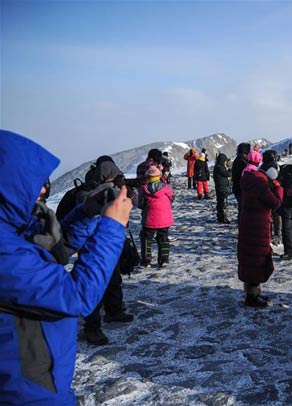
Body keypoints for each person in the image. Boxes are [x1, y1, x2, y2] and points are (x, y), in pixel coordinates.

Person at [0, 130, 132, 404]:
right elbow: (76, 297)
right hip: (26, 390)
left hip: (43, 375)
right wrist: (112, 227)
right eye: (32, 182)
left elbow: (49, 248)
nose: (43, 189)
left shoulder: (11, 228)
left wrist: (86, 213)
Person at [75, 160, 136, 345]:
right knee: (94, 284)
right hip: (92, 247)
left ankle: (114, 311)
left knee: (113, 278)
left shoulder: (110, 191)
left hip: (108, 244)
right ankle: (91, 328)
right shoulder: (87, 194)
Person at [237, 150, 284, 307]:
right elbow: (276, 202)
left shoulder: (249, 179)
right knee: (256, 259)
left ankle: (253, 293)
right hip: (258, 226)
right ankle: (252, 297)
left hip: (248, 223)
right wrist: (278, 188)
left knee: (250, 258)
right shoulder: (261, 185)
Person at [139, 166, 174, 268]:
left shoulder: (144, 190)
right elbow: (172, 198)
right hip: (164, 218)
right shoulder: (166, 188)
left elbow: (141, 204)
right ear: (159, 176)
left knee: (146, 238)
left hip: (149, 218)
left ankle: (146, 260)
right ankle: (163, 260)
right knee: (163, 238)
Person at [260, 150, 282, 245]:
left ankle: (268, 233)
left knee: (268, 215)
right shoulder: (274, 165)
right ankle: (277, 233)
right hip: (274, 191)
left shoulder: (262, 166)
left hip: (265, 191)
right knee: (276, 214)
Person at [232, 143, 251, 220]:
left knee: (242, 207)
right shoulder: (242, 162)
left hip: (238, 188)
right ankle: (242, 223)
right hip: (240, 189)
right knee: (242, 207)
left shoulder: (239, 160)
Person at [213, 152, 232, 224]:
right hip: (221, 188)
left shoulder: (218, 166)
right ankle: (222, 218)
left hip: (220, 187)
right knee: (222, 204)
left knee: (221, 203)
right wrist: (230, 169)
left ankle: (221, 217)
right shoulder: (220, 167)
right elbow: (228, 174)